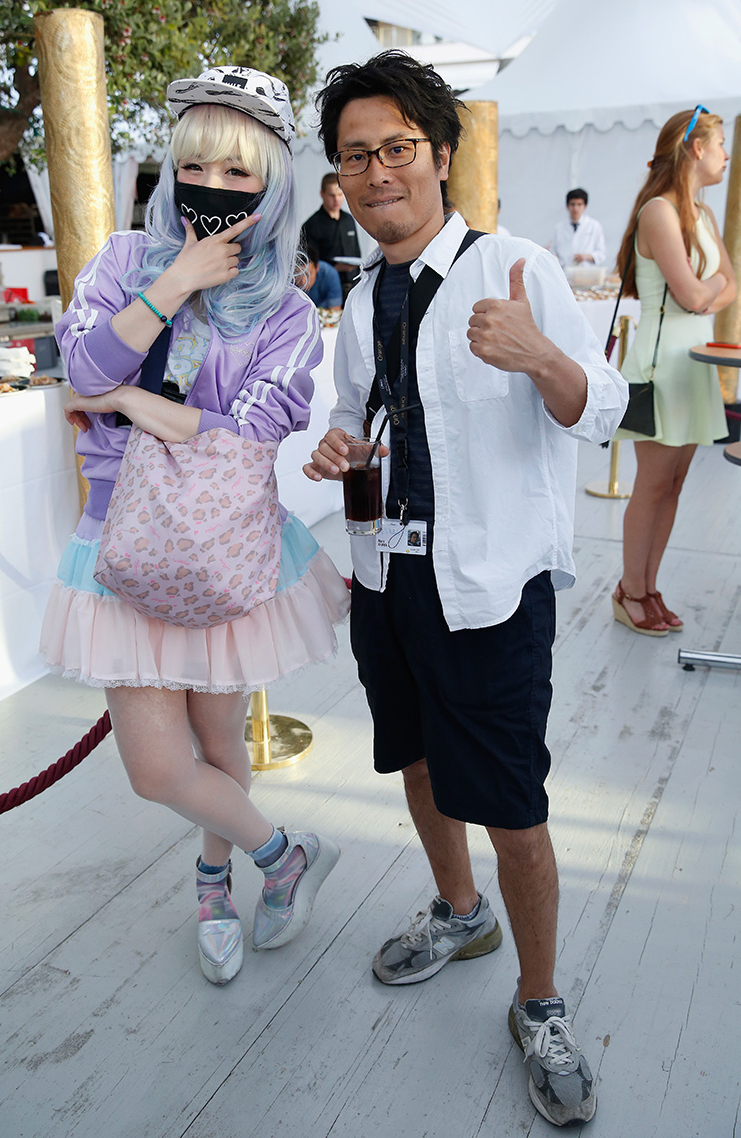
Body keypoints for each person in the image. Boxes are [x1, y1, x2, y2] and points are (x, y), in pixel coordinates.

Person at [303, 50, 626, 1128]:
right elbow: (365, 416)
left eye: (396, 147)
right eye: (355, 156)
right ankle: (457, 910)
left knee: (512, 801)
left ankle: (537, 999)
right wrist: (341, 448)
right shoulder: (359, 298)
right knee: (416, 756)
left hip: (488, 586)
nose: (377, 171)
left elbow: (602, 406)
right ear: (338, 180)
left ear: (439, 155)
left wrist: (543, 357)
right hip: (385, 573)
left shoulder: (512, 266)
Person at [40, 66, 349, 987]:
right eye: (195, 165)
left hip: (220, 547)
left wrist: (126, 398)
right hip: (119, 545)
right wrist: (171, 283)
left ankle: (216, 887)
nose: (213, 186)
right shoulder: (128, 262)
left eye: (239, 172)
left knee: (221, 750)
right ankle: (284, 855)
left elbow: (249, 438)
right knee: (156, 768)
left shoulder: (289, 312)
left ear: (273, 183)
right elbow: (80, 366)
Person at [611, 107, 736, 635]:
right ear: (696, 149)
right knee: (653, 485)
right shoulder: (658, 211)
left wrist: (706, 294)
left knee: (676, 484)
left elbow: (732, 281)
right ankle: (630, 591)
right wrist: (710, 294)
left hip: (696, 365)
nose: (728, 155)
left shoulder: (703, 216)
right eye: (721, 143)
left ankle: (648, 585)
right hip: (661, 369)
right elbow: (696, 292)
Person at [302, 172, 362, 301]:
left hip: (352, 286)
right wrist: (335, 267)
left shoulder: (349, 220)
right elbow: (309, 263)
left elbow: (356, 252)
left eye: (340, 195)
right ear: (322, 194)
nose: (336, 200)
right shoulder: (312, 224)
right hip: (326, 291)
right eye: (332, 195)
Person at [549, 188, 606, 266]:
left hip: (587, 273)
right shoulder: (559, 228)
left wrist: (587, 256)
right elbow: (553, 252)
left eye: (579, 204)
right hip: (566, 273)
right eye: (572, 204)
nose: (575, 208)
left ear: (585, 206)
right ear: (567, 206)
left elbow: (601, 253)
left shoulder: (594, 226)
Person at [299, 243, 343, 310]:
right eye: (298, 275)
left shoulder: (330, 274)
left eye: (307, 274)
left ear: (317, 268)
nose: (303, 281)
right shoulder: (287, 279)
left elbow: (335, 310)